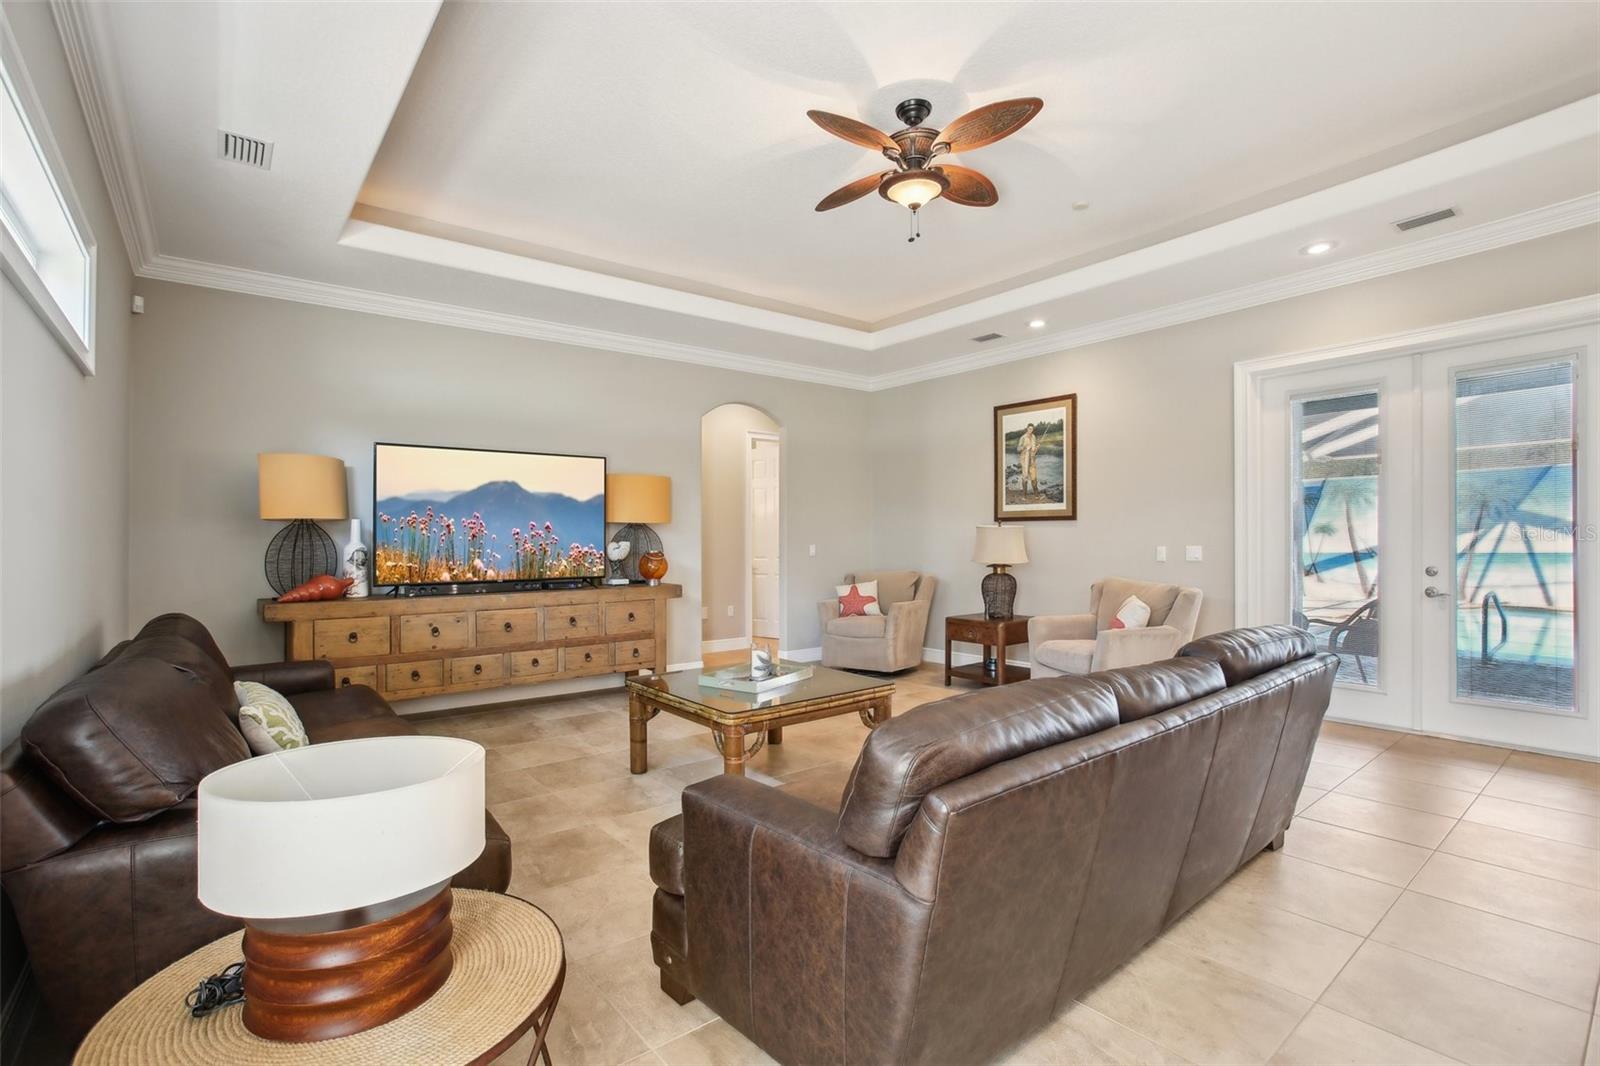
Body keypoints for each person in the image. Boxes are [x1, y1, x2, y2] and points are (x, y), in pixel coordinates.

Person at [1018, 423, 1039, 496]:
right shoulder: (1023, 437)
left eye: (1032, 429)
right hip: (1024, 460)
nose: (1031, 430)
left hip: (1032, 460)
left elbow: (1034, 451)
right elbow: (1018, 449)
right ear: (1027, 428)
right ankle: (1024, 495)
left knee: (1034, 477)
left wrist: (1037, 448)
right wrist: (1024, 447)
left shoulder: (1034, 437)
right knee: (1025, 477)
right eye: (1029, 429)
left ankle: (1036, 495)